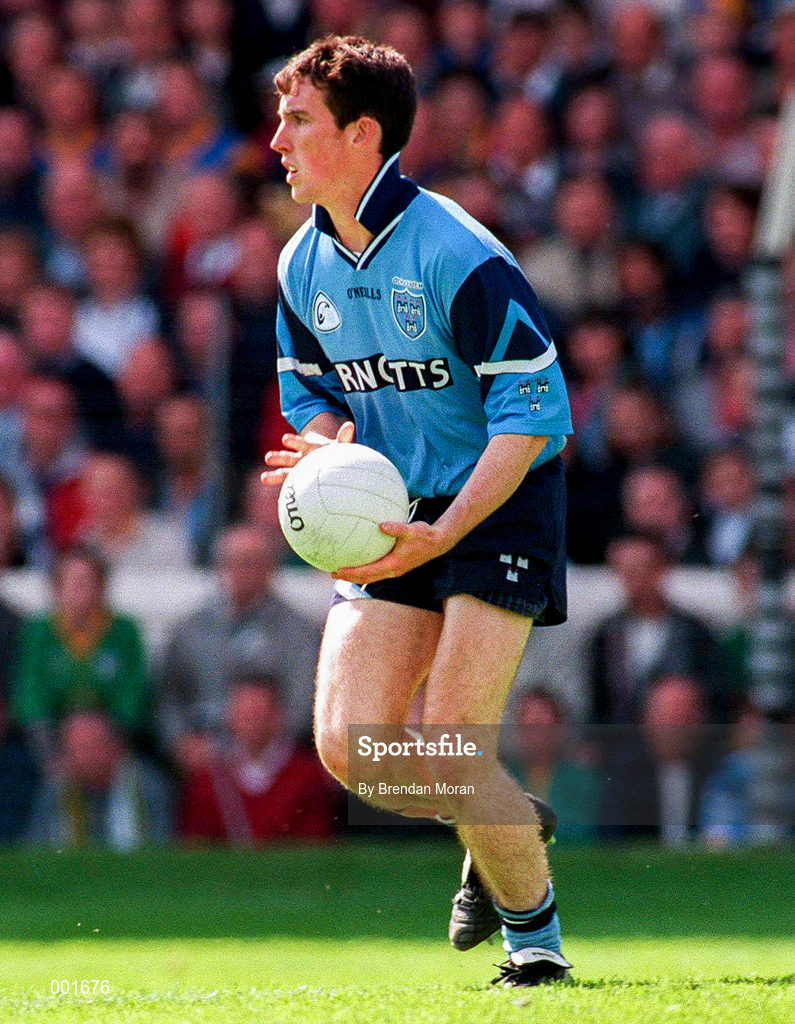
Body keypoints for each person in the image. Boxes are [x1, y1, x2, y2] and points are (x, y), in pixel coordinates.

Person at [261, 37, 573, 987]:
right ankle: (502, 820)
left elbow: (531, 421)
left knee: (448, 739)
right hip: (396, 506)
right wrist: (326, 444)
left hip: (498, 493)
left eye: (299, 120)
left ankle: (534, 947)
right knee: (351, 748)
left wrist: (449, 528)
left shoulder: (456, 253)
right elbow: (308, 390)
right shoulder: (298, 264)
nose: (277, 139)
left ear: (362, 135)